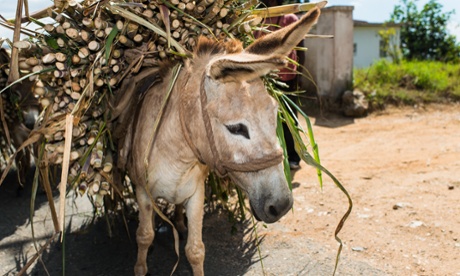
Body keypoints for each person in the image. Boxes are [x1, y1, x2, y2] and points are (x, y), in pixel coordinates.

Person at [256, 0, 302, 170]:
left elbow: (300, 47)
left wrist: (299, 76)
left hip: (288, 79)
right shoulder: (258, 21)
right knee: (267, 120)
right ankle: (272, 158)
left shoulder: (290, 19)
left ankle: (293, 156)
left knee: (289, 120)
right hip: (265, 80)